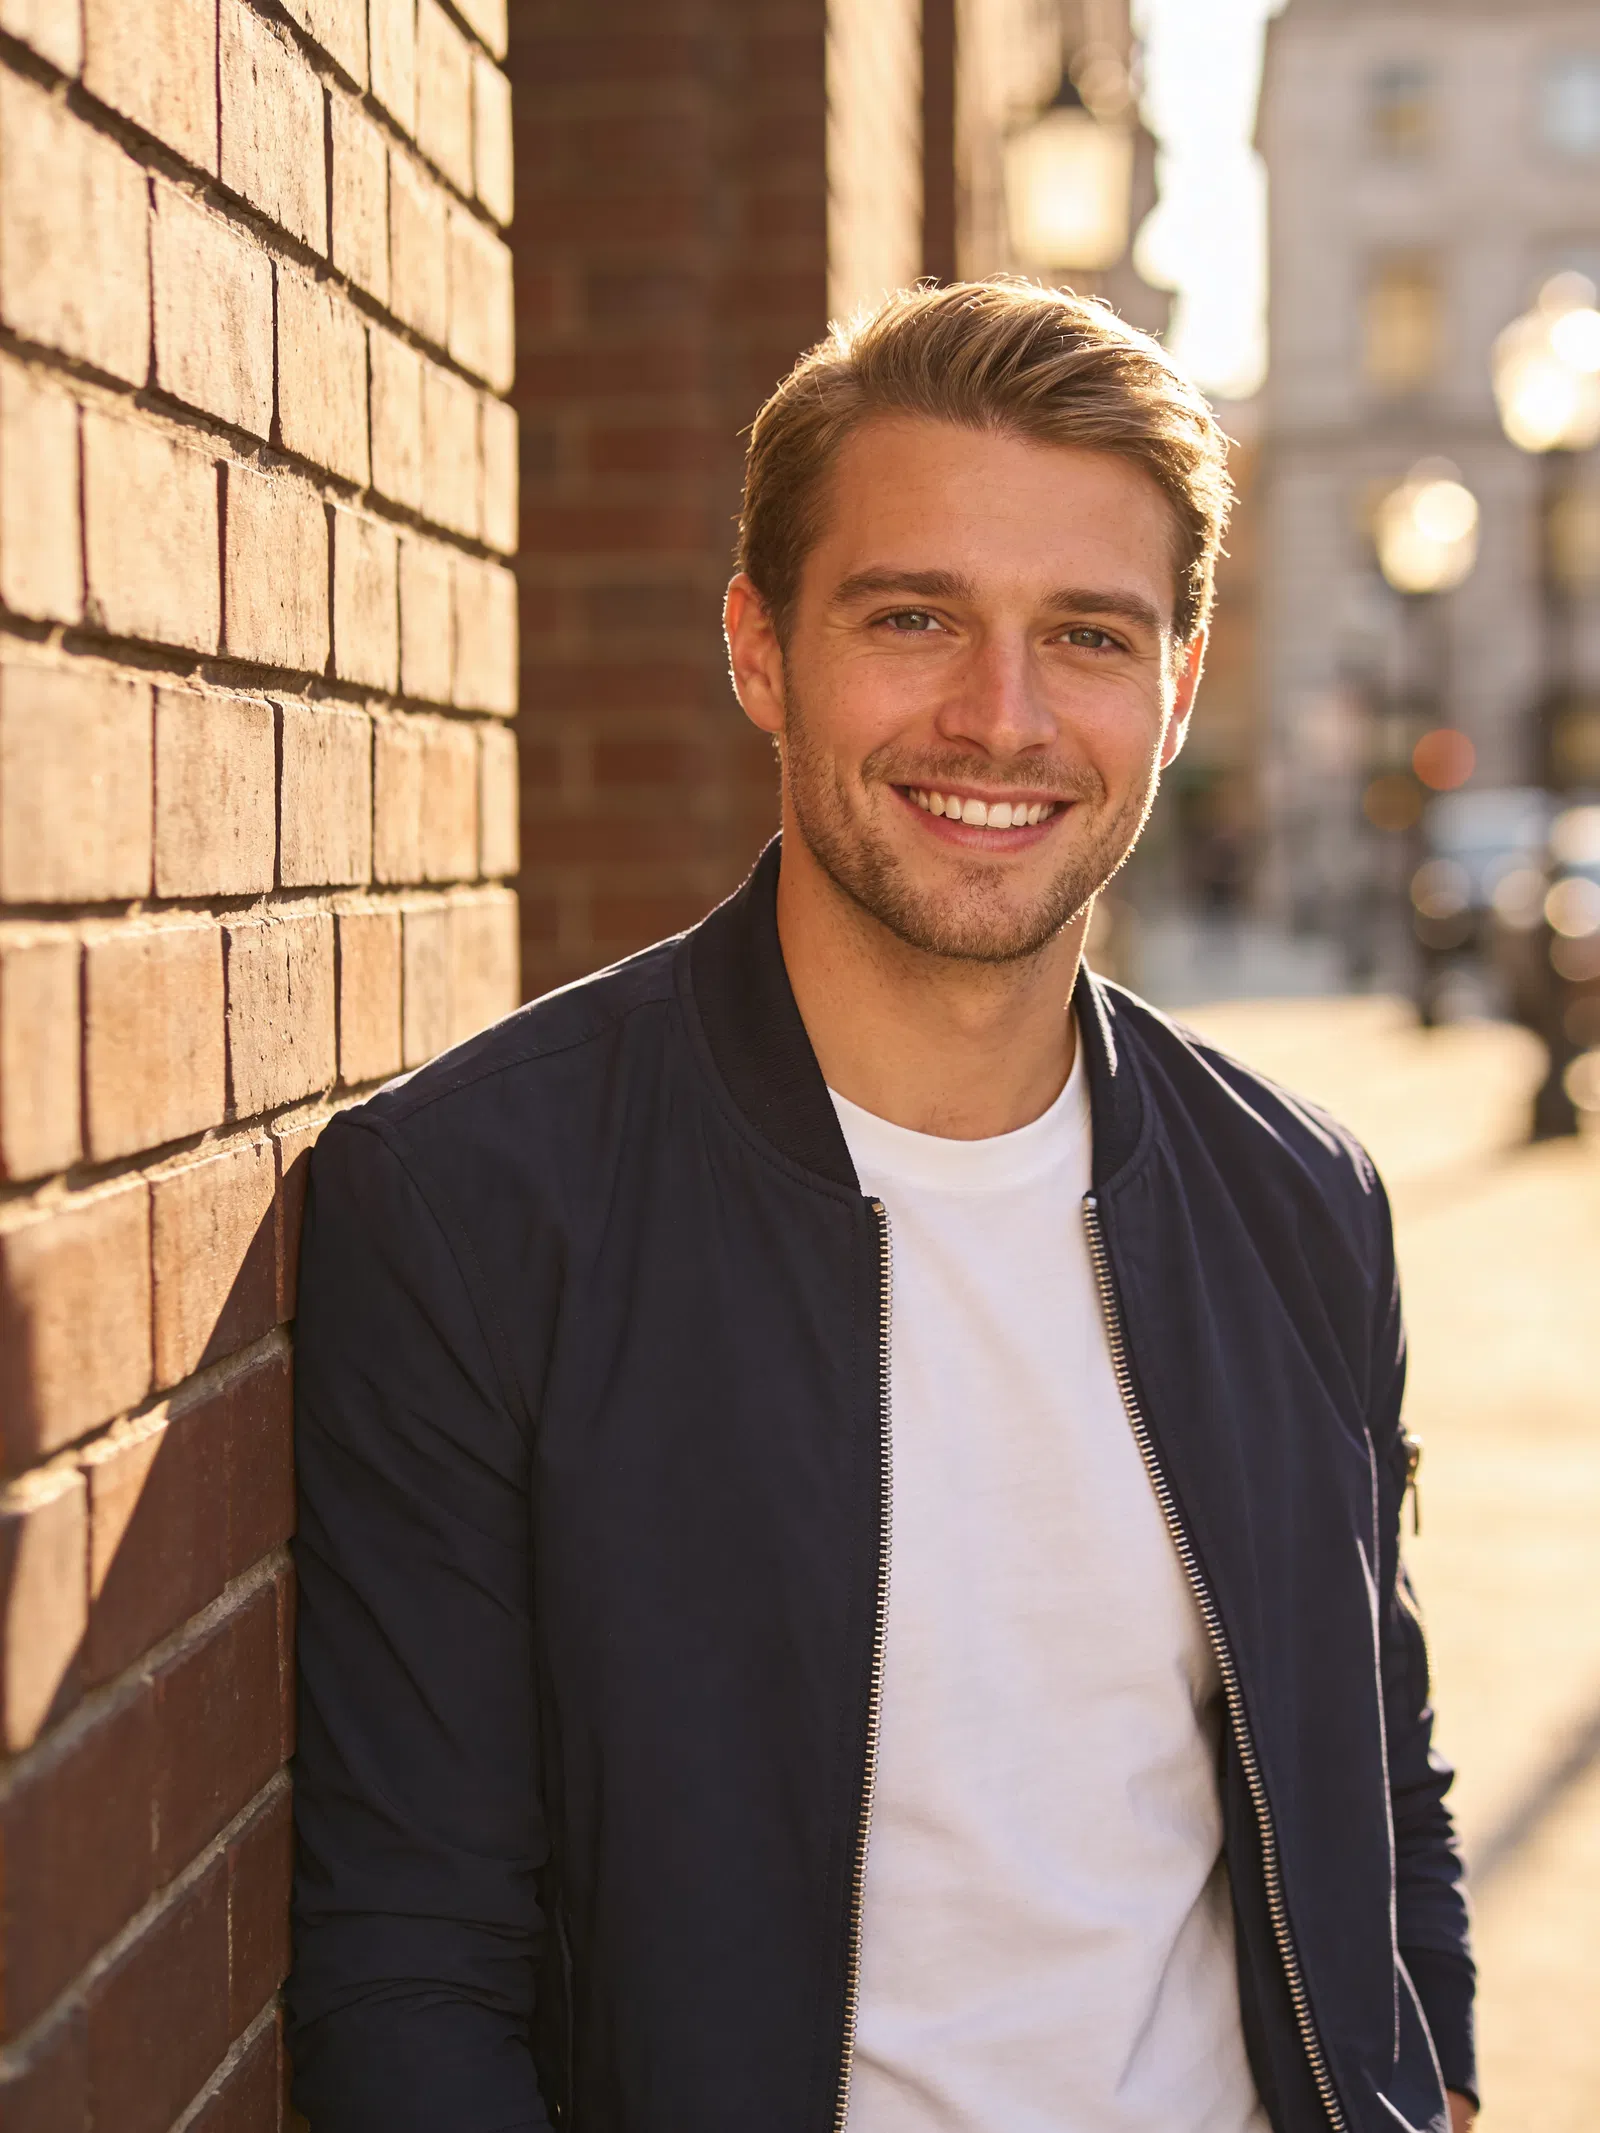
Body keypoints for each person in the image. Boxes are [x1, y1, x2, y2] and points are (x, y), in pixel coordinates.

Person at [287, 282, 1477, 2133]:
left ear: (1174, 692)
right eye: (913, 616)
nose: (998, 720)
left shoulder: (1302, 1200)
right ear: (760, 648)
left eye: (1086, 635)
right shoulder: (473, 1209)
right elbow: (412, 1959)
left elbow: (1378, 1786)